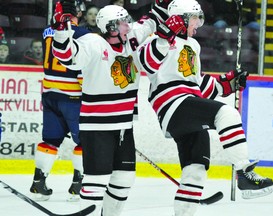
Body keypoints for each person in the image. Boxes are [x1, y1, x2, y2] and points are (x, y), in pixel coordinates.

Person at [137, 0, 273, 215]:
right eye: (193, 18)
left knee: (195, 171)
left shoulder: (193, 45)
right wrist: (164, 36)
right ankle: (244, 171)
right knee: (226, 113)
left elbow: (196, 84)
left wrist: (227, 83)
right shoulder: (155, 41)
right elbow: (147, 64)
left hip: (189, 106)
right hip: (173, 107)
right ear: (179, 19)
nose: (198, 23)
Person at [51, 0, 172, 215]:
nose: (129, 25)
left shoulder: (131, 38)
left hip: (124, 125)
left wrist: (164, 4)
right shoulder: (93, 43)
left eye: (127, 21)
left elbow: (152, 21)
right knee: (96, 180)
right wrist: (61, 30)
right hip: (97, 125)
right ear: (110, 27)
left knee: (125, 178)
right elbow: (68, 57)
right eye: (123, 22)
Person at [29, 12, 88, 201]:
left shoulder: (48, 31)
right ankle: (78, 185)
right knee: (84, 141)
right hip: (72, 96)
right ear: (78, 13)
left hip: (49, 93)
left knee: (50, 140)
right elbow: (80, 66)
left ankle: (39, 181)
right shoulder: (82, 34)